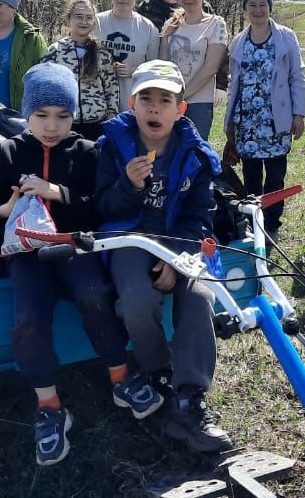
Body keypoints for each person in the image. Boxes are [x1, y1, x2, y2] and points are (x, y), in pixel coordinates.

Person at [0, 62, 164, 467]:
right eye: (41, 115)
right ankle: (50, 405)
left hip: (74, 247)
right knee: (28, 317)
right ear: (27, 114)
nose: (51, 126)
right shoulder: (9, 152)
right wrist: (5, 208)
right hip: (28, 255)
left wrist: (56, 192)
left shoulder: (85, 152)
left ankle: (119, 376)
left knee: (95, 293)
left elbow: (96, 208)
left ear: (73, 116)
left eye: (62, 116)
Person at [95, 60, 232, 453]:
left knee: (200, 295)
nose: (154, 109)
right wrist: (128, 185)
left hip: (178, 242)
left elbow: (200, 216)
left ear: (180, 110)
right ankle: (157, 373)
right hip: (127, 240)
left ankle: (191, 398)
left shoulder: (196, 155)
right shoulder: (111, 148)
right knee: (137, 298)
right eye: (146, 100)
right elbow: (102, 208)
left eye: (165, 100)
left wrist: (177, 258)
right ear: (131, 104)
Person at [222, 0, 305, 243]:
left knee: (275, 175)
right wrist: (230, 124)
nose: (258, 10)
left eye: (263, 5)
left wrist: (298, 113)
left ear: (270, 8)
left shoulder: (285, 37)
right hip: (247, 120)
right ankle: (252, 223)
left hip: (275, 120)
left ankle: (271, 223)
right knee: (251, 176)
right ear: (245, 9)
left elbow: (297, 76)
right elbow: (234, 83)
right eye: (252, 5)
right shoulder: (238, 41)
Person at [160, 0, 227, 141]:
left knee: (194, 154)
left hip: (198, 103)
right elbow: (163, 64)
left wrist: (182, 96)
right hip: (170, 102)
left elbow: (210, 68)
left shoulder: (216, 24)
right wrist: (169, 98)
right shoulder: (171, 24)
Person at [41, 0, 120, 141]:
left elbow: (111, 88)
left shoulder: (102, 53)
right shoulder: (56, 51)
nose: (84, 22)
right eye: (79, 17)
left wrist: (111, 119)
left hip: (97, 124)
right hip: (65, 123)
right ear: (69, 19)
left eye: (89, 17)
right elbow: (45, 87)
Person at [96, 0, 160, 106]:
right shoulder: (96, 23)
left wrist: (133, 71)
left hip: (131, 102)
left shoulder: (148, 28)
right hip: (98, 101)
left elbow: (154, 70)